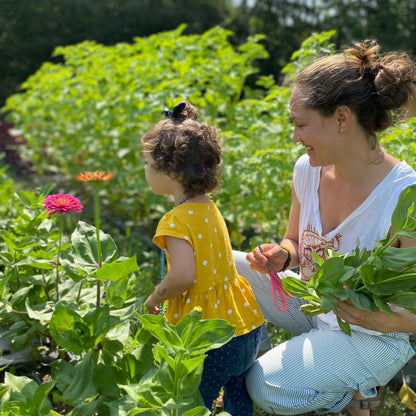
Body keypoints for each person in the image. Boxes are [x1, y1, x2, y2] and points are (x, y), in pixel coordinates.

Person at [233, 40, 416, 416]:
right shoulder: (308, 170)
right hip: (317, 304)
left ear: (341, 119)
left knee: (266, 387)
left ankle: (352, 392)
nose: (295, 137)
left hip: (373, 335)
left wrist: (383, 319)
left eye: (301, 125)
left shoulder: (403, 195)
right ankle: (280, 357)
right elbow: (295, 242)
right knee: (219, 266)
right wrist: (282, 255)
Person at [142, 101, 264, 415]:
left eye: (146, 163)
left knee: (193, 402)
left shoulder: (176, 220)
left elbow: (183, 276)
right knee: (238, 399)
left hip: (209, 337)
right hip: (244, 322)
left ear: (169, 170)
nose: (144, 171)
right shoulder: (208, 207)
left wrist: (155, 297)